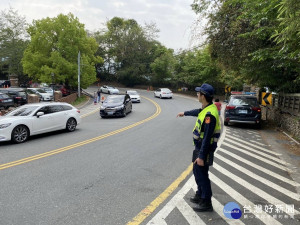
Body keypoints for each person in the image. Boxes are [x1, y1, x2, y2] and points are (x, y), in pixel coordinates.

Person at [177, 83, 221, 212]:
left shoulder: (210, 115)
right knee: (198, 172)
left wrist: (202, 156)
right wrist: (184, 113)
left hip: (204, 147)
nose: (197, 94)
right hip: (200, 146)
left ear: (203, 96)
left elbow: (207, 136)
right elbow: (198, 112)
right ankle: (199, 195)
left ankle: (206, 201)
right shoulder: (206, 108)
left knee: (201, 174)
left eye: (198, 93)